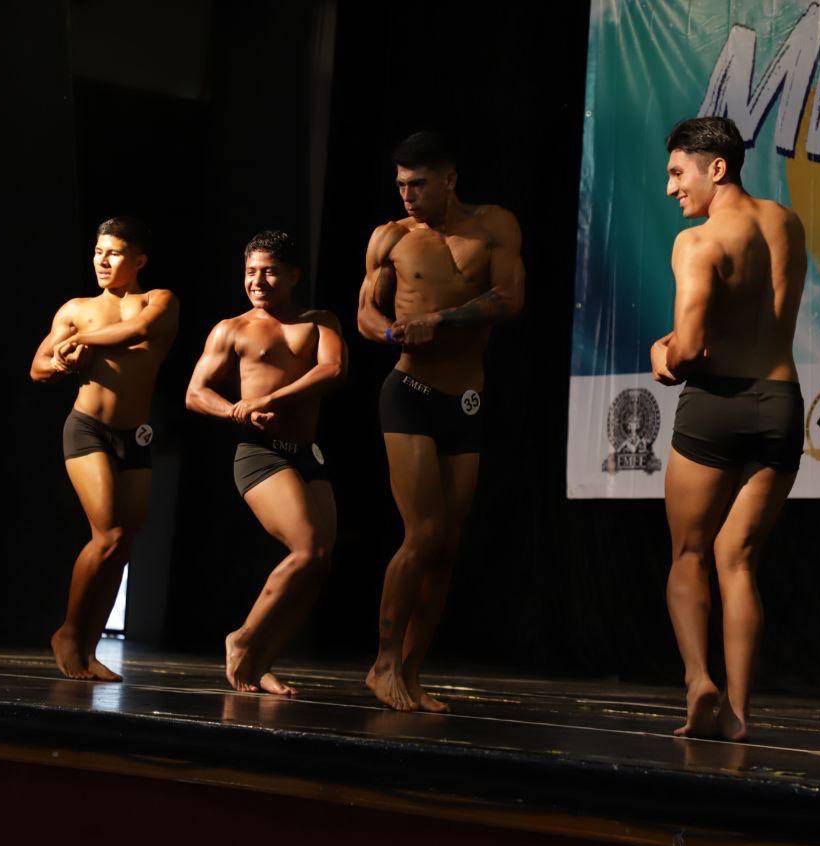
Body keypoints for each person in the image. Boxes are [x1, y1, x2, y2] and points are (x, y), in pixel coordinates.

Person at [651, 116, 807, 741]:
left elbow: (689, 352)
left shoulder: (697, 243)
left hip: (717, 404)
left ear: (716, 167)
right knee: (737, 559)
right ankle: (739, 715)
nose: (671, 189)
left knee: (689, 554)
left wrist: (662, 355)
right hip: (780, 403)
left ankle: (698, 681)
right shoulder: (786, 222)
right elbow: (756, 310)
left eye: (677, 173)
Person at [356, 132, 524, 711]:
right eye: (401, 184)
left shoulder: (494, 225)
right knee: (423, 532)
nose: (407, 195)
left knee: (447, 545)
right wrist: (390, 332)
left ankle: (410, 672)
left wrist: (442, 320)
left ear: (450, 180)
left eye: (419, 184)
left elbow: (510, 298)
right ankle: (382, 665)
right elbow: (365, 311)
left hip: (467, 399)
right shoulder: (391, 237)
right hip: (409, 392)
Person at [185, 230, 345, 696]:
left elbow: (333, 369)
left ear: (294, 275)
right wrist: (235, 410)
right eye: (251, 271)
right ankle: (243, 638)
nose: (257, 280)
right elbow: (195, 393)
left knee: (319, 565)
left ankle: (259, 665)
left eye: (270, 271)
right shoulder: (232, 329)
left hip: (307, 454)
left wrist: (271, 398)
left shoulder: (319, 323)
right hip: (260, 454)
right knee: (307, 550)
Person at [30, 217, 178, 680]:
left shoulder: (159, 301)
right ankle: (68, 632)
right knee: (109, 534)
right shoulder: (77, 309)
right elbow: (38, 366)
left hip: (135, 437)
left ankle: (89, 650)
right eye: (98, 251)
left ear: (139, 260)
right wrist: (62, 362)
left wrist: (78, 342)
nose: (102, 260)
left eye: (113, 253)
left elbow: (135, 332)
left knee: (122, 546)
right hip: (87, 429)